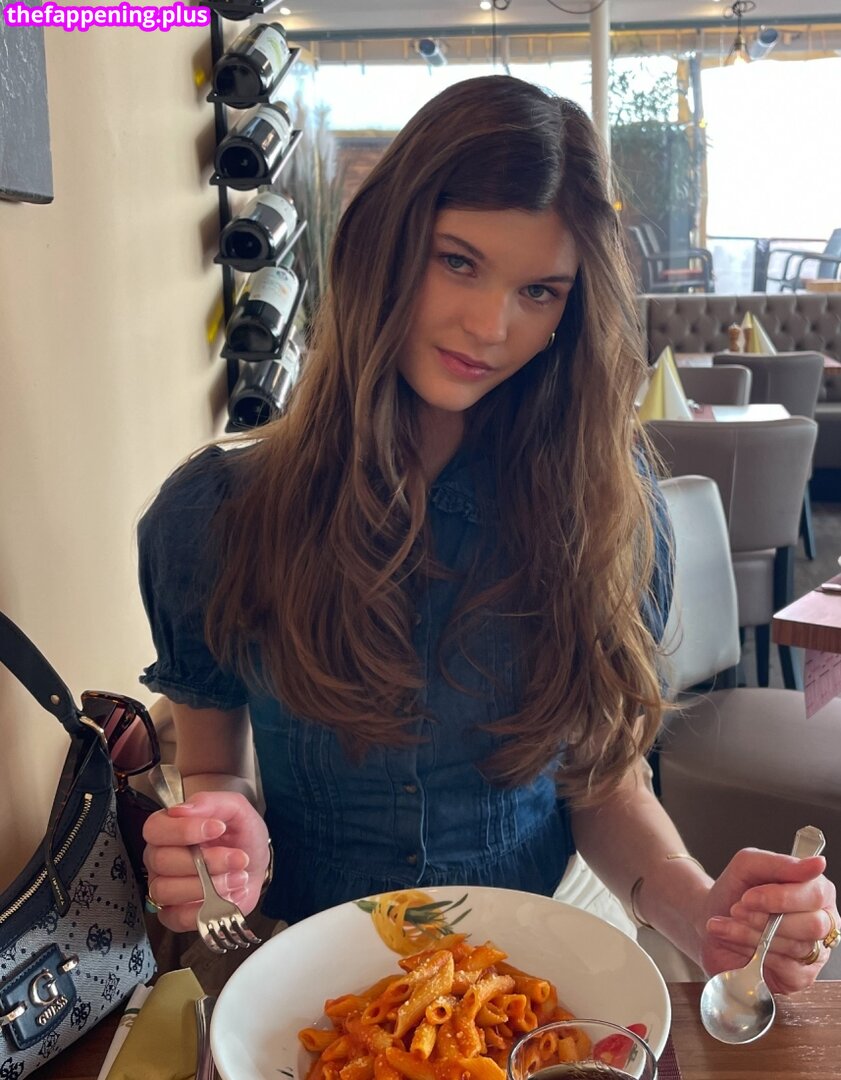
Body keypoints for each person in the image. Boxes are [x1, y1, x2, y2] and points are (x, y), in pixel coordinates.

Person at [138, 75, 837, 992]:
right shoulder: (213, 515)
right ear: (384, 247)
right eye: (457, 261)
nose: (489, 326)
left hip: (547, 949)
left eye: (539, 290)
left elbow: (605, 785)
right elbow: (214, 767)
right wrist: (222, 844)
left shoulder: (604, 512)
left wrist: (698, 911)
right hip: (297, 959)